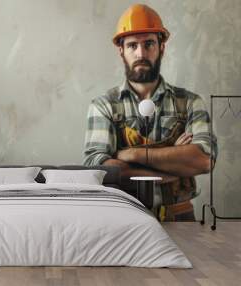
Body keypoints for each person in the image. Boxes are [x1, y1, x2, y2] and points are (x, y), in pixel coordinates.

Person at [83, 4, 218, 221]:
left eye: (148, 44)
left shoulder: (190, 102)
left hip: (180, 217)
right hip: (123, 218)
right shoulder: (104, 105)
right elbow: (100, 169)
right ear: (121, 51)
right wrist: (173, 167)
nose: (141, 53)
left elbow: (203, 159)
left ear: (161, 47)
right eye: (132, 45)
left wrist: (132, 154)